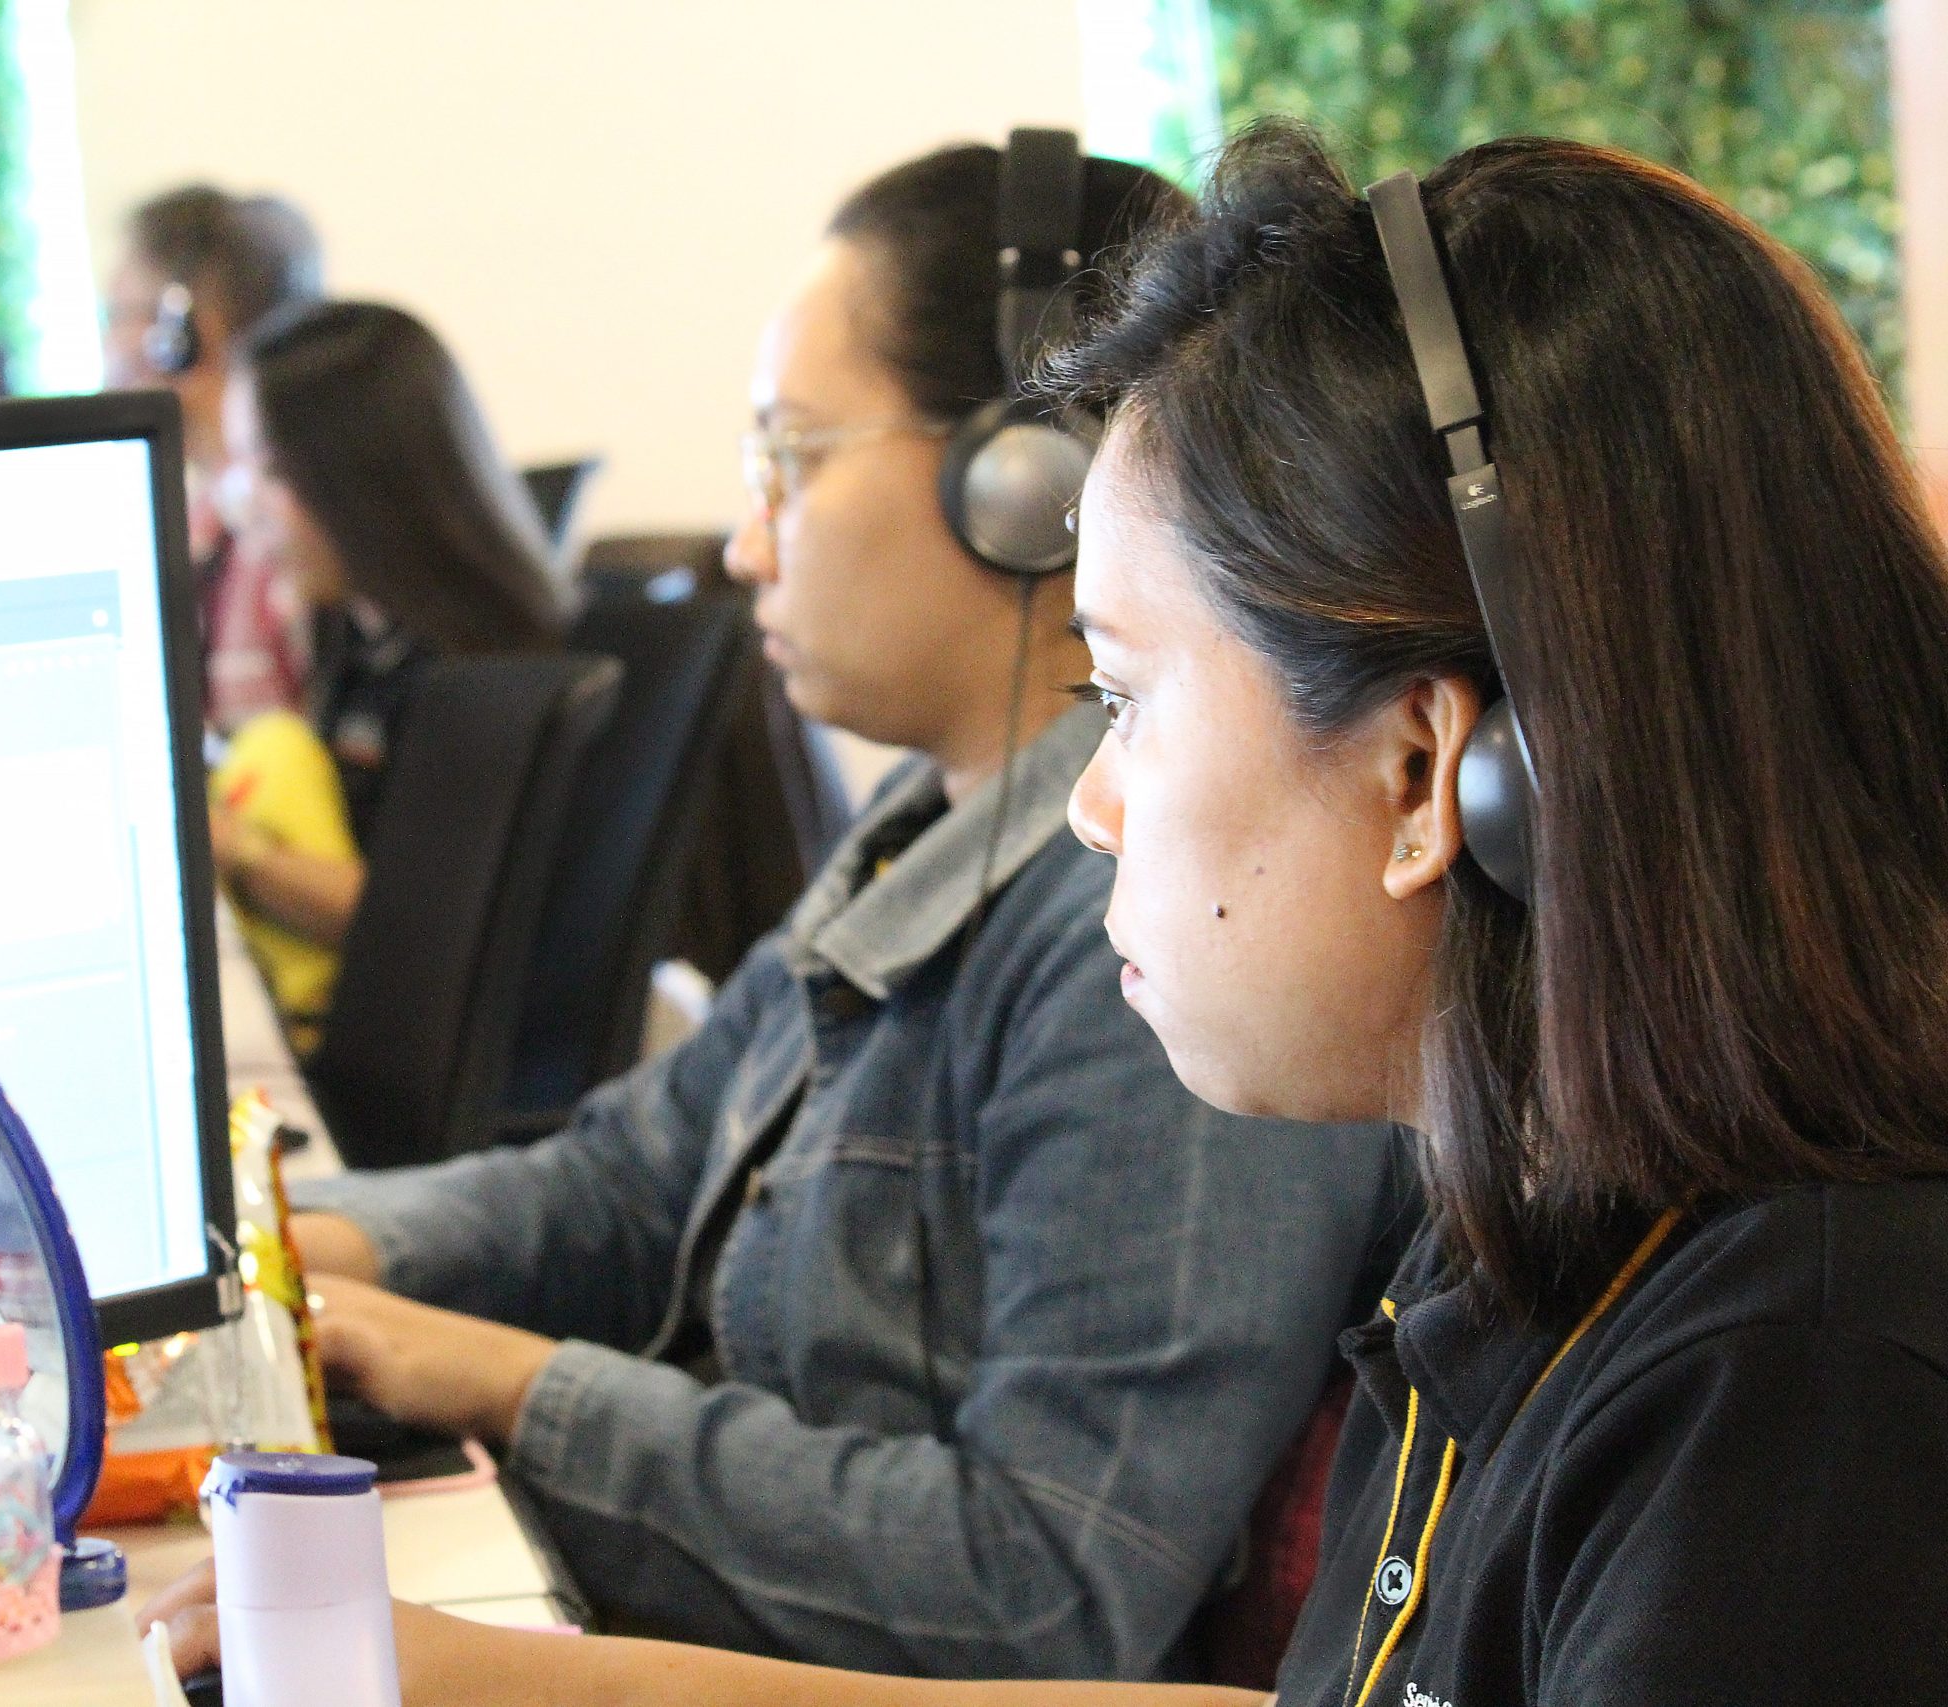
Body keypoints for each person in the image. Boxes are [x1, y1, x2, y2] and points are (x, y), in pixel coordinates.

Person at [276, 118, 1948, 1705]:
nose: (1091, 800)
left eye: (1130, 696)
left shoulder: (1794, 1408)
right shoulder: (1538, 1204)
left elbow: (1053, 1579)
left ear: (1427, 772)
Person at [147, 141, 1410, 1683]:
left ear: (1026, 478)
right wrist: (285, 1253)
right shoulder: (928, 815)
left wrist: (513, 1383)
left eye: (790, 459)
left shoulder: (1147, 932)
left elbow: (1047, 1586)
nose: (747, 539)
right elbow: (630, 1171)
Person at [212, 299, 567, 963]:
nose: (244, 506)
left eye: (271, 471)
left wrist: (232, 847)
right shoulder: (357, 631)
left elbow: (414, 930)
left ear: (356, 479)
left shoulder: (476, 674)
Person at [101, 185, 325, 731]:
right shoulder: (210, 523)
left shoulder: (272, 540)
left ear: (179, 335)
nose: (106, 346)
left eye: (116, 315)